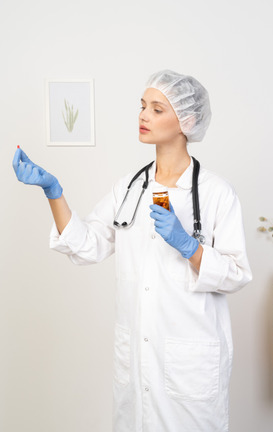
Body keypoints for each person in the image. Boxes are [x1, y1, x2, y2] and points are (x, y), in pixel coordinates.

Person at [12, 69, 252, 432]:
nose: (143, 116)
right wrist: (54, 192)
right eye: (142, 106)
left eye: (157, 109)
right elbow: (88, 245)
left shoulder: (217, 193)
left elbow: (237, 274)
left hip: (189, 369)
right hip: (137, 363)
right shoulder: (129, 188)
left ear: (186, 120)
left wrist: (189, 247)